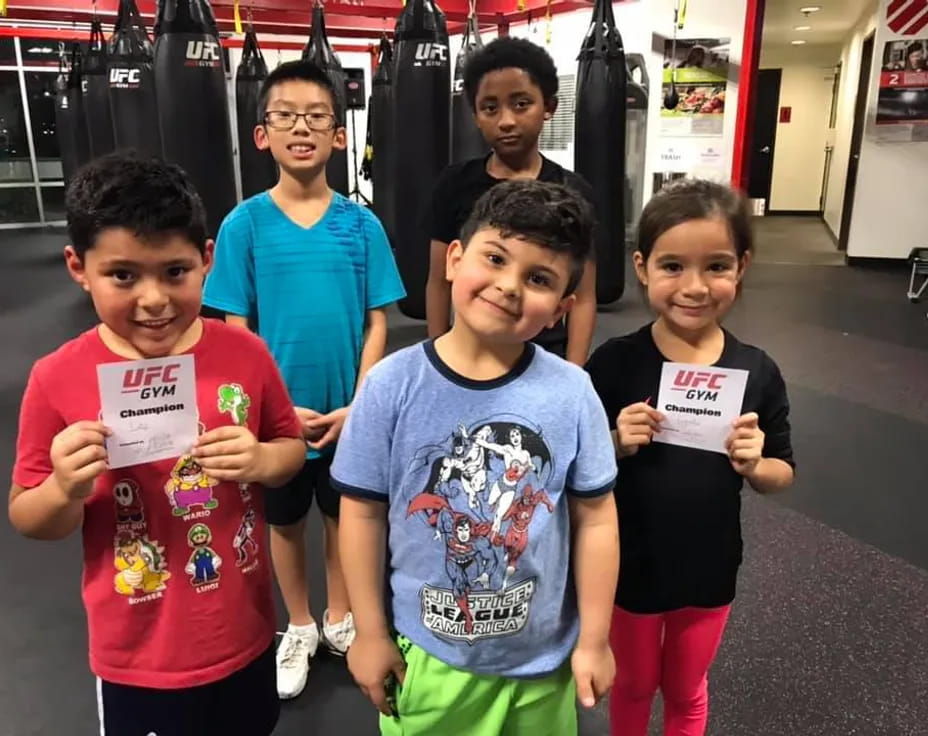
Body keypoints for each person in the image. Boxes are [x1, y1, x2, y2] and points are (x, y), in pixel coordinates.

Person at [8, 153, 306, 736]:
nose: (153, 299)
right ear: (78, 267)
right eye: (123, 275)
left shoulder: (245, 354)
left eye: (175, 272)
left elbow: (290, 449)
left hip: (243, 633)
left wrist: (261, 458)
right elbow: (28, 516)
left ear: (207, 261)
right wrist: (65, 487)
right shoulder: (56, 377)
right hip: (137, 653)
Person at [332, 180, 619, 735]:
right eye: (495, 258)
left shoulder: (572, 392)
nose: (510, 286)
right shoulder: (391, 385)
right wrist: (369, 632)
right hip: (431, 661)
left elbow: (596, 518)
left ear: (560, 309)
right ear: (455, 260)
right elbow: (362, 514)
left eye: (538, 279)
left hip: (541, 666)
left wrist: (595, 639)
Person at [203, 59, 406, 700]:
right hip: (276, 419)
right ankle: (299, 624)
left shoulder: (362, 224)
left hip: (351, 412)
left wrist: (360, 401)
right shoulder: (244, 226)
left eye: (317, 117)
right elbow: (235, 328)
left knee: (345, 516)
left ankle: (341, 616)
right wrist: (278, 407)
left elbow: (379, 323)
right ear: (262, 134)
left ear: (338, 134)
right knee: (285, 522)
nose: (302, 128)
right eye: (285, 116)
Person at [585, 179, 796, 736]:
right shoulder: (614, 363)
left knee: (685, 689)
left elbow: (782, 473)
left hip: (708, 568)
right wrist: (613, 440)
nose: (695, 287)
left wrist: (756, 464)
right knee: (631, 686)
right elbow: (571, 465)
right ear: (642, 266)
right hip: (629, 566)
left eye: (717, 267)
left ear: (742, 266)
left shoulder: (757, 371)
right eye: (673, 266)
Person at [425, 36, 598, 366]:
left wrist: (576, 373)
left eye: (521, 104)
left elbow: (584, 297)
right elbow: (437, 281)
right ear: (476, 115)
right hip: (469, 353)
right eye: (490, 108)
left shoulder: (573, 191)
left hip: (545, 354)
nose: (505, 120)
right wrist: (435, 356)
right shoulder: (454, 184)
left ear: (548, 107)